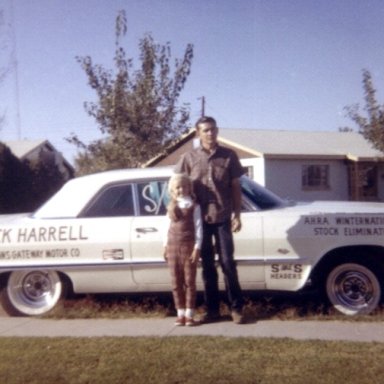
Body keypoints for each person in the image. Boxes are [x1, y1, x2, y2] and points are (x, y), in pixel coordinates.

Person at [174, 116, 245, 324]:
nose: (210, 133)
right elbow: (176, 184)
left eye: (213, 129)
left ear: (217, 131)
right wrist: (173, 207)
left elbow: (235, 188)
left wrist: (237, 215)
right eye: (205, 130)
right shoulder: (188, 158)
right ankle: (212, 310)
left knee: (227, 264)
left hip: (222, 216)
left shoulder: (229, 156)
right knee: (207, 267)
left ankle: (237, 309)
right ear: (198, 133)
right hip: (199, 220)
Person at [164, 173, 202, 326]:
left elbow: (199, 228)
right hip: (172, 245)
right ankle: (180, 313)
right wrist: (165, 246)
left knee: (189, 281)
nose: (181, 189)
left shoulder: (194, 206)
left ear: (189, 188)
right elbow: (166, 228)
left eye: (184, 186)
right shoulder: (171, 206)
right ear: (173, 190)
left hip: (188, 246)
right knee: (175, 281)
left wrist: (197, 248)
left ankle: (189, 314)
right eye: (178, 187)